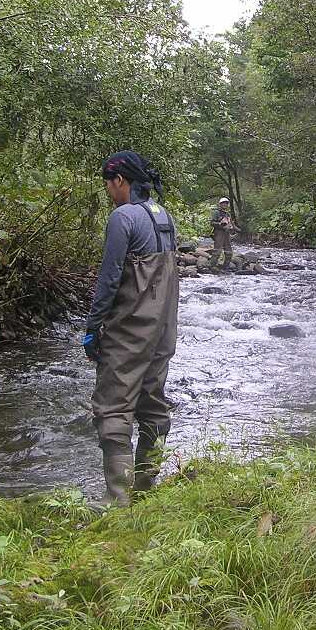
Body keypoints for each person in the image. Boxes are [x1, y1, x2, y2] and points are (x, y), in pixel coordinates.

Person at [81, 150, 180, 506]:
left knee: (112, 407)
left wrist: (92, 329)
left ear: (120, 180)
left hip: (130, 330)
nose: (109, 191)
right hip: (163, 331)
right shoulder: (164, 216)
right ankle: (145, 488)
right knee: (153, 404)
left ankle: (117, 499)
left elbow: (108, 280)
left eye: (109, 184)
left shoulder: (123, 217)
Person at [209, 197, 238, 269]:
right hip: (219, 233)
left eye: (226, 203)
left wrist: (236, 229)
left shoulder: (227, 214)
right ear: (220, 204)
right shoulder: (216, 212)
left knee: (229, 252)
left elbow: (231, 225)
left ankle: (225, 267)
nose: (225, 204)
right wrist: (220, 224)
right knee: (217, 251)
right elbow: (212, 223)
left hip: (227, 233)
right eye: (223, 203)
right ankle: (211, 267)